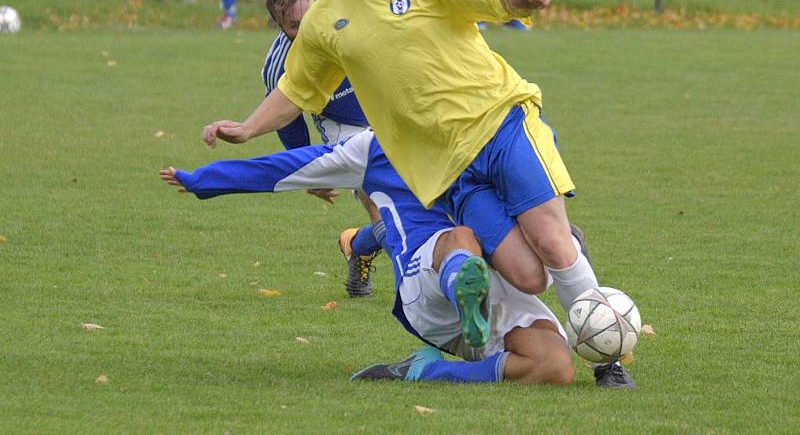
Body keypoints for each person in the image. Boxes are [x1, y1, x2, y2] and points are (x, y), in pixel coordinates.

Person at [201, 0, 635, 387]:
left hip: (502, 124)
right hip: (446, 170)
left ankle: (608, 362)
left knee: (555, 245)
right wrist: (247, 127)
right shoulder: (323, 19)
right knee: (528, 274)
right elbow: (295, 90)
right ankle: (518, 273)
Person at [160, 129, 575, 386]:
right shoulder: (371, 147)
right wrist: (202, 181)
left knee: (554, 367)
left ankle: (424, 372)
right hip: (423, 276)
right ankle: (463, 285)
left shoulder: (479, 132)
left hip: (497, 278)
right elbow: (279, 169)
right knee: (461, 237)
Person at [262, 0, 381, 297]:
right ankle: (429, 289)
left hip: (390, 108)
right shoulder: (279, 67)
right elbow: (287, 122)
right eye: (294, 25)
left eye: (312, 17)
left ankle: (358, 245)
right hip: (344, 127)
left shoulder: (351, 17)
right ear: (279, 26)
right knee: (384, 202)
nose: (307, 30)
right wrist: (310, 173)